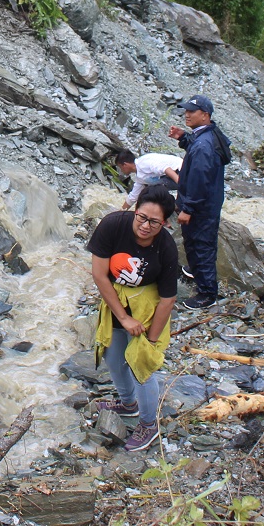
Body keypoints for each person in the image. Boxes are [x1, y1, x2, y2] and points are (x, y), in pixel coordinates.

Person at [87, 190, 179, 452]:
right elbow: (100, 275)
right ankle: (128, 404)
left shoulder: (166, 247)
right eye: (142, 217)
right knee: (113, 357)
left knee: (141, 364)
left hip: (147, 303)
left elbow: (167, 300)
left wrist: (149, 342)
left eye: (154, 222)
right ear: (135, 209)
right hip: (116, 299)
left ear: (165, 224)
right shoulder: (113, 225)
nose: (145, 226)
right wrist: (123, 318)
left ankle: (149, 425)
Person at [169, 95, 232, 311]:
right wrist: (183, 138)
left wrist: (188, 208)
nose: (186, 114)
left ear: (205, 115)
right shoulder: (207, 134)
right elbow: (195, 146)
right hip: (209, 204)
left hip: (201, 208)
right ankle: (198, 270)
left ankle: (207, 294)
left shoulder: (204, 146)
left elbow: (199, 179)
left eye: (191, 111)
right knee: (200, 244)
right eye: (186, 110)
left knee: (200, 246)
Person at [115, 149, 181, 209]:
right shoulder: (140, 177)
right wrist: (122, 211)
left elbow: (166, 169)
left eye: (120, 168)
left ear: (125, 165)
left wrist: (182, 185)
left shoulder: (144, 162)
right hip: (172, 179)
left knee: (152, 190)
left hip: (181, 171)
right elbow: (133, 197)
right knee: (148, 191)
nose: (121, 171)